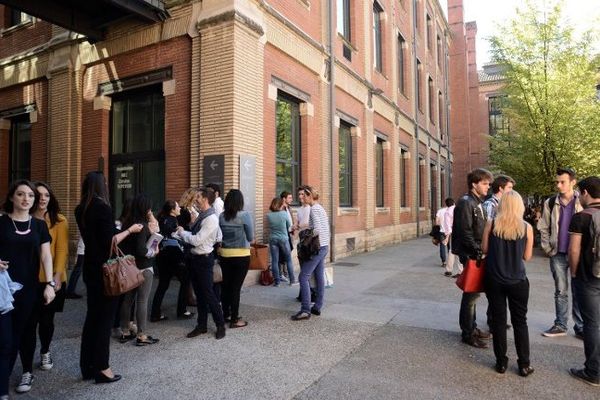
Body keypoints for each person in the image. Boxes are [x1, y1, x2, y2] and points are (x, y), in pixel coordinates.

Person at [75, 171, 143, 384]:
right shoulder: (102, 207)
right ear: (101, 185)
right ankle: (103, 368)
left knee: (92, 318)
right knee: (104, 321)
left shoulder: (80, 208)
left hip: (90, 268)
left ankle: (87, 366)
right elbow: (110, 241)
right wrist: (130, 230)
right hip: (106, 271)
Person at [0, 180, 55, 398]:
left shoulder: (39, 225)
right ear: (12, 197)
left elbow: (46, 256)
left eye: (30, 195)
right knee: (4, 339)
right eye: (21, 194)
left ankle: (4, 385)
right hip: (3, 290)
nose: (26, 199)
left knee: (16, 337)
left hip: (28, 290)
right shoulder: (2, 222)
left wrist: (50, 284)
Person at [17, 182, 69, 393]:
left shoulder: (59, 220)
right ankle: (26, 371)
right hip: (27, 282)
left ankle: (45, 350)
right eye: (39, 195)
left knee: (47, 321)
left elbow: (62, 249)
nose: (43, 199)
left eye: (47, 195)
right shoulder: (22, 220)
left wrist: (56, 276)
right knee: (27, 325)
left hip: (52, 280)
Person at [481, 191, 534, 377]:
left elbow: (484, 249)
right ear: (520, 206)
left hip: (494, 279)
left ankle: (501, 362)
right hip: (518, 280)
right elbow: (527, 257)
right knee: (520, 322)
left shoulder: (492, 224)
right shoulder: (527, 227)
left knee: (499, 321)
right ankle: (524, 364)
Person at [538, 167, 584, 338]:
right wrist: (547, 248)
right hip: (557, 253)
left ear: (573, 182)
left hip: (578, 254)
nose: (558, 185)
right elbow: (543, 226)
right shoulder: (550, 202)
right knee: (560, 291)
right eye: (557, 182)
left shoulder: (582, 201)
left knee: (579, 290)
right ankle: (560, 325)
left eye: (562, 182)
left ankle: (580, 327)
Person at [176, 187, 225, 339]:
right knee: (200, 295)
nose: (195, 199)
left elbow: (197, 240)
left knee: (208, 294)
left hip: (204, 260)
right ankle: (201, 325)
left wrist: (182, 233)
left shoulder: (211, 218)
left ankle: (220, 325)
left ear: (205, 199)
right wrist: (184, 233)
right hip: (195, 259)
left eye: (198, 197)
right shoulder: (203, 215)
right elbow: (196, 235)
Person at [452, 168, 494, 348]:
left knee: (473, 294)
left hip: (475, 253)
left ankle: (472, 327)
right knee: (470, 295)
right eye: (484, 183)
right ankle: (468, 333)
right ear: (474, 184)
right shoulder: (466, 202)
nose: (487, 187)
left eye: (488, 184)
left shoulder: (477, 202)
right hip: (471, 254)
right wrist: (478, 251)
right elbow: (465, 232)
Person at [568, 176, 600, 387]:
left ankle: (593, 371)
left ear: (586, 192)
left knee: (592, 323)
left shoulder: (581, 217)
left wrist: (573, 272)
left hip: (588, 277)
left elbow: (574, 249)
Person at [118, 194, 160, 346]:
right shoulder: (142, 226)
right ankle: (142, 335)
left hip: (129, 268)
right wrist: (153, 252)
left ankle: (124, 331)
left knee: (127, 300)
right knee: (142, 300)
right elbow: (142, 250)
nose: (150, 210)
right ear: (145, 208)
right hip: (144, 267)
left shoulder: (128, 224)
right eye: (149, 207)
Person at [150, 200, 194, 321]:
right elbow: (177, 238)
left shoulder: (162, 219)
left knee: (163, 285)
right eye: (177, 206)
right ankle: (182, 310)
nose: (179, 208)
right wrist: (179, 230)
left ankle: (155, 313)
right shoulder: (172, 221)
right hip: (174, 257)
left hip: (162, 257)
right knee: (185, 281)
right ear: (172, 210)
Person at [291, 186, 330, 320]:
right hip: (324, 246)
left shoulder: (313, 209)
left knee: (303, 277)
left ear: (310, 196)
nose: (302, 198)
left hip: (318, 248)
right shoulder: (320, 208)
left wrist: (306, 235)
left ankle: (305, 310)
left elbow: (317, 229)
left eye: (304, 196)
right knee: (319, 277)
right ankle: (317, 307)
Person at [219, 189, 253, 329]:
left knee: (225, 286)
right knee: (235, 288)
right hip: (241, 255)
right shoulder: (245, 215)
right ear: (240, 201)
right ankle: (234, 319)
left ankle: (225, 314)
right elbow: (250, 237)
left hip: (225, 255)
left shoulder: (221, 216)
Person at [266, 197, 297, 287]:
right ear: (280, 204)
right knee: (288, 260)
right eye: (282, 203)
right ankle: (292, 281)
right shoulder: (284, 214)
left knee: (274, 261)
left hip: (272, 239)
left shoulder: (269, 215)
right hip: (283, 239)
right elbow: (289, 226)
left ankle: (277, 282)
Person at [440, 198, 461, 277]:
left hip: (453, 232)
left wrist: (447, 237)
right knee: (460, 251)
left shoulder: (447, 212)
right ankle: (461, 271)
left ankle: (449, 270)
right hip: (461, 232)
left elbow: (448, 226)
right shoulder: (458, 209)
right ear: (454, 202)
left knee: (451, 251)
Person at [279, 191, 295, 281]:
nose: (292, 199)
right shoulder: (280, 209)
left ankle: (285, 273)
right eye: (289, 198)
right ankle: (282, 274)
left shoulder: (289, 208)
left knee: (288, 254)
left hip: (290, 234)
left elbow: (291, 220)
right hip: (284, 235)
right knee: (283, 255)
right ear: (284, 199)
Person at [435, 198, 453, 270]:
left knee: (442, 246)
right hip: (450, 231)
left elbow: (436, 222)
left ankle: (444, 261)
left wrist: (441, 225)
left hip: (442, 231)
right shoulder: (452, 211)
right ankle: (450, 261)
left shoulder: (440, 211)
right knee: (450, 247)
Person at [65, 234, 84, 299]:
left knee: (78, 270)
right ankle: (70, 291)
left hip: (83, 248)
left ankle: (70, 291)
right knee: (78, 270)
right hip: (83, 249)